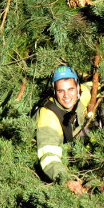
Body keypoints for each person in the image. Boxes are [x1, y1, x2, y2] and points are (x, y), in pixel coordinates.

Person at [36, 65, 93, 194]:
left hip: (75, 135)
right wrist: (65, 179)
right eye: (60, 91)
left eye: (71, 89)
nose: (66, 96)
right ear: (54, 91)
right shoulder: (48, 116)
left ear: (78, 88)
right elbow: (48, 155)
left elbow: (93, 86)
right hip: (57, 144)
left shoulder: (84, 94)